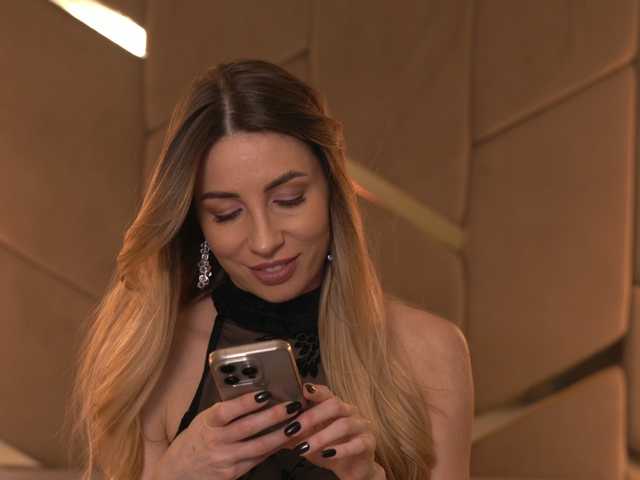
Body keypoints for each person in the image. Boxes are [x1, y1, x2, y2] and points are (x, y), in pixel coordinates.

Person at [68, 59, 473, 480]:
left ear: (333, 190)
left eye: (289, 199)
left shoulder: (430, 350)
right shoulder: (153, 356)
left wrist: (367, 477)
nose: (264, 242)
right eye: (226, 213)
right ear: (198, 222)